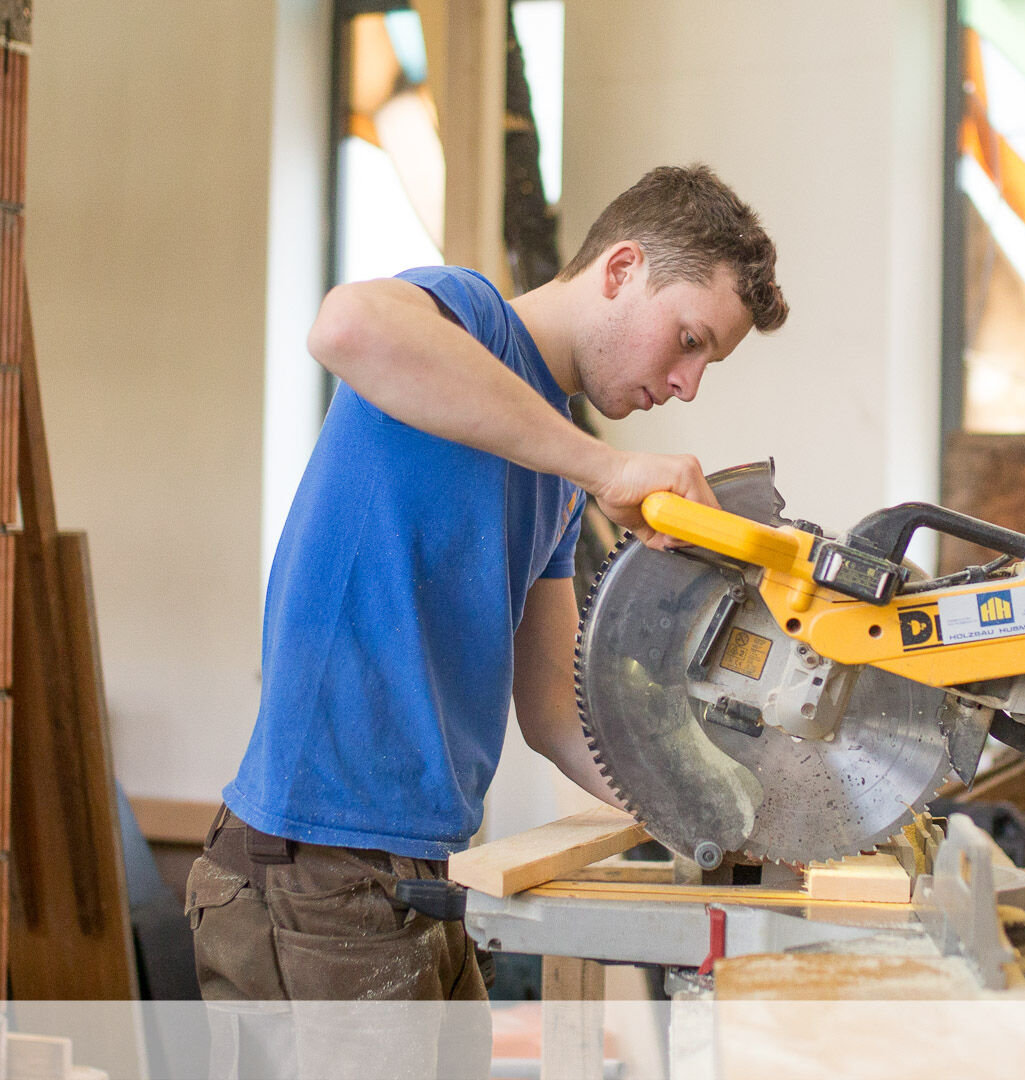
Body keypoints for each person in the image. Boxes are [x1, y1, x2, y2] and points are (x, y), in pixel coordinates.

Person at [184, 164, 788, 1073]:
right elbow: (345, 326)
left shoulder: (552, 471)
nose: (687, 384)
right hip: (315, 869)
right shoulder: (469, 317)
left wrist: (723, 808)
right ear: (622, 269)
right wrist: (602, 467)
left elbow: (557, 715)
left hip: (421, 874)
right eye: (688, 340)